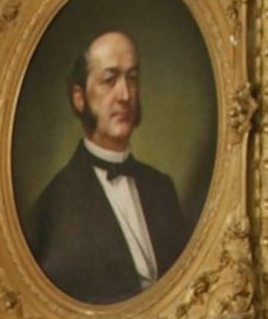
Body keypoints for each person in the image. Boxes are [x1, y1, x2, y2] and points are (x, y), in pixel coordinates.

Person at [24, 28, 190, 305]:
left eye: (132, 78)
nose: (125, 94)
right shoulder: (53, 207)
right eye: (109, 80)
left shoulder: (161, 188)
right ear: (80, 99)